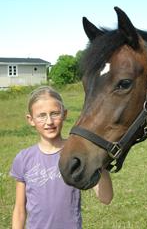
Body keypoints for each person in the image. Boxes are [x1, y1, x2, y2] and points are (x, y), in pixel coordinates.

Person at [10, 86, 113, 229]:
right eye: (41, 115)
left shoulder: (78, 156)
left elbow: (106, 198)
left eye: (55, 113)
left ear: (64, 114)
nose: (49, 122)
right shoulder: (23, 158)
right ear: (30, 119)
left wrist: (99, 159)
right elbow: (20, 210)